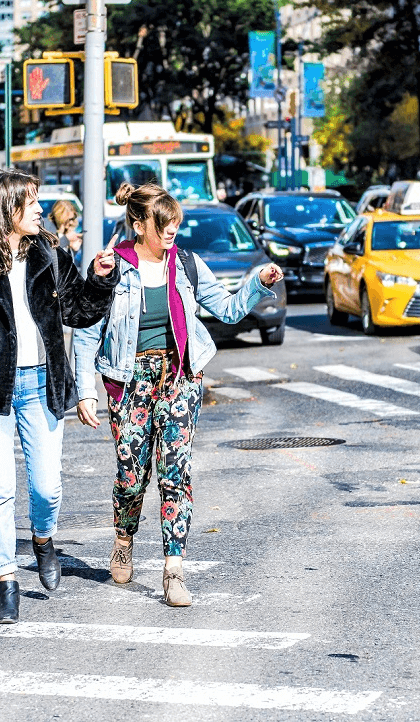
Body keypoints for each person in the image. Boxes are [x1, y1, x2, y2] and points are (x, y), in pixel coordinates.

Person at [73, 183, 284, 608]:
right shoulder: (113, 268)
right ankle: (123, 537)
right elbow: (86, 329)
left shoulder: (185, 263)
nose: (171, 231)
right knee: (132, 476)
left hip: (180, 378)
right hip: (129, 380)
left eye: (174, 223)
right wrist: (85, 391)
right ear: (139, 224)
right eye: (163, 223)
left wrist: (257, 282)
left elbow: (226, 308)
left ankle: (173, 570)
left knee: (176, 473)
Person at [0, 169, 118, 624]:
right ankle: (7, 581)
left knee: (46, 487)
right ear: (7, 209)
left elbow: (78, 310)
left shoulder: (50, 253)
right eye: (31, 202)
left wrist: (98, 279)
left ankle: (43, 538)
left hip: (43, 383)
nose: (40, 209)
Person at [50, 200, 83, 264]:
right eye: (69, 219)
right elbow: (50, 253)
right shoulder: (48, 230)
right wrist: (66, 239)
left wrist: (73, 250)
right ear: (60, 217)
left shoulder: (66, 232)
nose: (71, 222)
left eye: (73, 218)